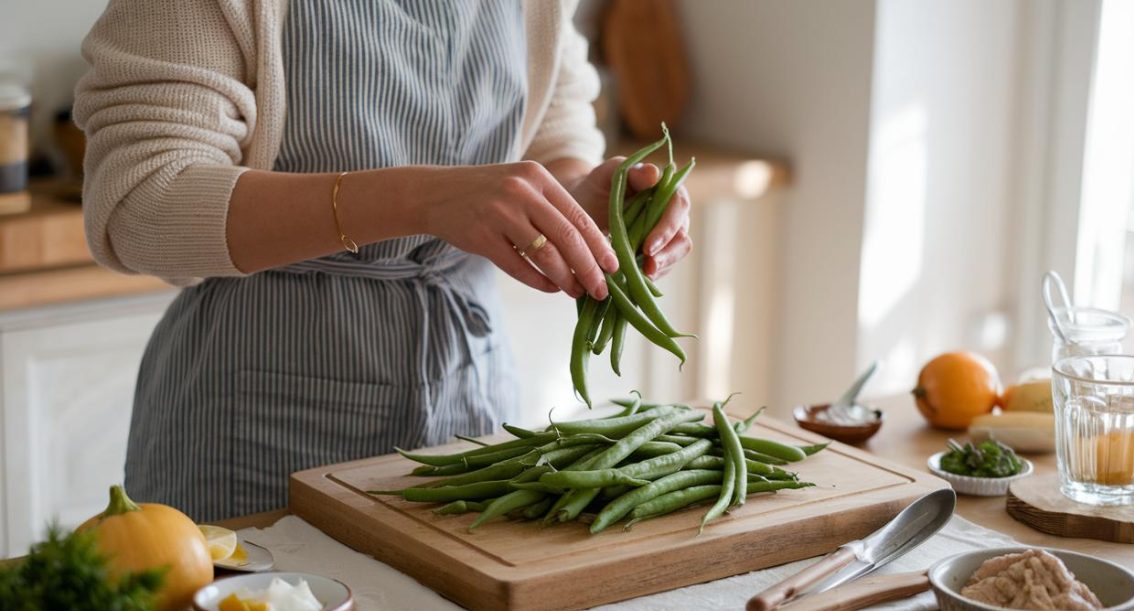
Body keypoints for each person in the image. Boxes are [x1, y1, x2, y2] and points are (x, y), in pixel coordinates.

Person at [74, 0, 692, 521]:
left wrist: (584, 203)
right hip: (255, 419)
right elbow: (140, 203)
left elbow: (556, 130)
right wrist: (419, 199)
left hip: (470, 399)